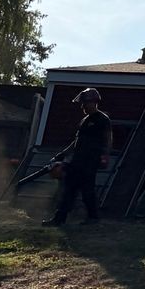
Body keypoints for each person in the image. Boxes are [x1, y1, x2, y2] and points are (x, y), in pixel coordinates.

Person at [46, 89, 113, 226]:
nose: (82, 106)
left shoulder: (102, 120)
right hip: (78, 159)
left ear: (94, 102)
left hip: (91, 160)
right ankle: (60, 218)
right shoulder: (84, 121)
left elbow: (108, 140)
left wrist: (105, 156)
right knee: (69, 189)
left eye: (85, 103)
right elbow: (76, 141)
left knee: (87, 190)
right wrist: (63, 153)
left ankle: (93, 218)